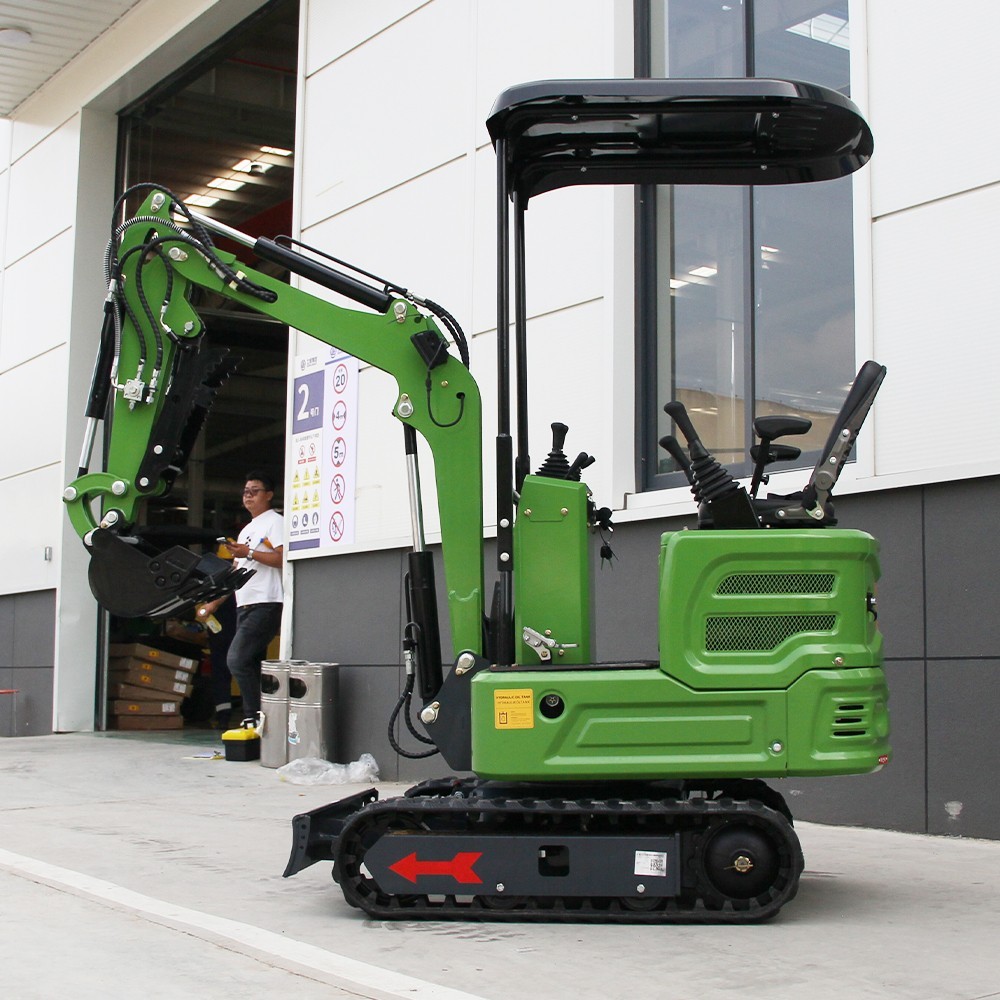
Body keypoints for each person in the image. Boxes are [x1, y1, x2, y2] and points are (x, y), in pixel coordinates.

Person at [198, 471, 284, 725]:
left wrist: (249, 552)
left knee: (236, 659)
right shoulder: (248, 528)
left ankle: (253, 716)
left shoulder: (275, 522)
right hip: (244, 604)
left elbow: (282, 558)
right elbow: (236, 572)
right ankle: (263, 717)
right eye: (246, 491)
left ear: (269, 495)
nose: (248, 496)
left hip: (266, 601)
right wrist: (213, 603)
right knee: (251, 662)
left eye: (254, 491)